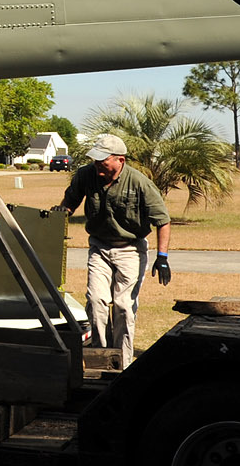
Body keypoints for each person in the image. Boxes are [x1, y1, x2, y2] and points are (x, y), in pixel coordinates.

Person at [58, 134, 170, 369]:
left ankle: (122, 363)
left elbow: (162, 220)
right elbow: (71, 201)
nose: (98, 164)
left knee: (123, 307)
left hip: (130, 250)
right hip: (99, 247)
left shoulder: (139, 183)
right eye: (95, 159)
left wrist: (162, 257)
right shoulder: (86, 175)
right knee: (96, 301)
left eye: (103, 160)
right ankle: (101, 357)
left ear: (120, 160)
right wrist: (59, 214)